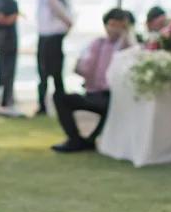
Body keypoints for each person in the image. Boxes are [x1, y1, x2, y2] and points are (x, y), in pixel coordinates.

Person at [52, 8, 135, 153]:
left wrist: (125, 34)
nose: (114, 29)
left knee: (111, 103)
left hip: (113, 95)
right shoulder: (97, 44)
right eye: (112, 24)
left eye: (119, 25)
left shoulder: (126, 46)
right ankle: (75, 139)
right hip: (93, 93)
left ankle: (91, 140)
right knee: (60, 97)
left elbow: (130, 49)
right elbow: (83, 69)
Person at [35, 0, 72, 115]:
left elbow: (58, 8)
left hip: (52, 36)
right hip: (46, 35)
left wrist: (68, 24)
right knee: (45, 74)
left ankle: (59, 105)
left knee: (53, 73)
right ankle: (47, 106)